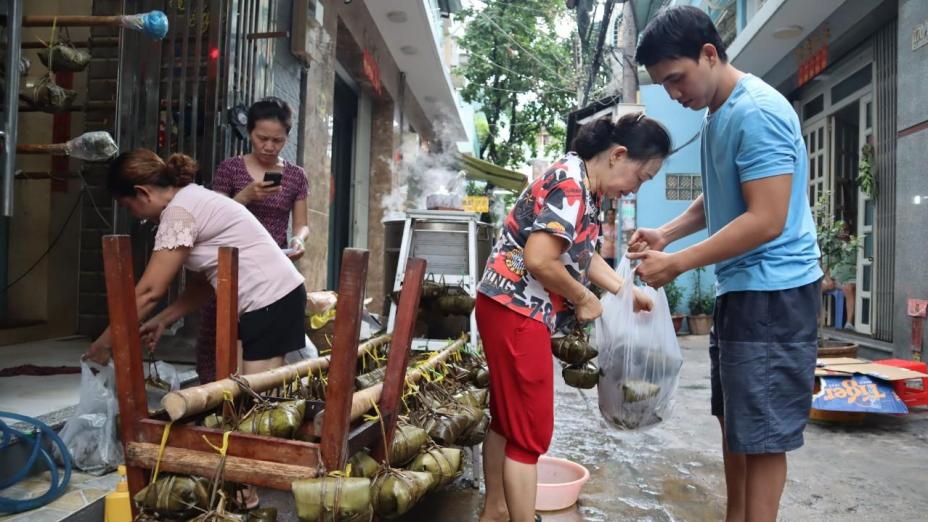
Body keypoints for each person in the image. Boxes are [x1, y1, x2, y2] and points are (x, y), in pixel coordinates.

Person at [631, 6, 822, 522]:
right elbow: (720, 198)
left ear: (709, 54)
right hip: (743, 291)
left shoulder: (756, 111)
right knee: (736, 423)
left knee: (761, 438)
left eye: (677, 78)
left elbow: (766, 219)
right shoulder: (719, 115)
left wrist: (677, 264)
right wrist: (665, 234)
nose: (673, 93)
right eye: (663, 84)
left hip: (775, 293)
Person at [475, 113, 671, 522]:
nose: (637, 187)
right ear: (618, 155)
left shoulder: (579, 181)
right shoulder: (572, 186)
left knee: (508, 419)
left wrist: (623, 291)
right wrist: (583, 297)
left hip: (505, 305)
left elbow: (579, 251)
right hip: (517, 310)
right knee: (530, 431)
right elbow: (540, 258)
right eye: (642, 176)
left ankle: (495, 511)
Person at [85, 149, 307, 379]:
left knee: (257, 402)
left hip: (271, 298)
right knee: (243, 394)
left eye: (129, 207)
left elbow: (149, 292)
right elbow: (202, 285)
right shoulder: (190, 198)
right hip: (267, 300)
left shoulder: (179, 213)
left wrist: (103, 344)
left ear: (142, 193)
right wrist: (163, 319)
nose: (134, 215)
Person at [195, 97, 310, 383]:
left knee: (266, 352)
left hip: (272, 270)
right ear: (249, 133)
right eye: (262, 138)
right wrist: (244, 197)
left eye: (278, 140)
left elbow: (302, 224)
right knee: (222, 347)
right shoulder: (230, 169)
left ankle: (254, 414)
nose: (269, 146)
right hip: (232, 267)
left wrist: (298, 239)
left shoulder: (296, 176)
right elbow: (212, 221)